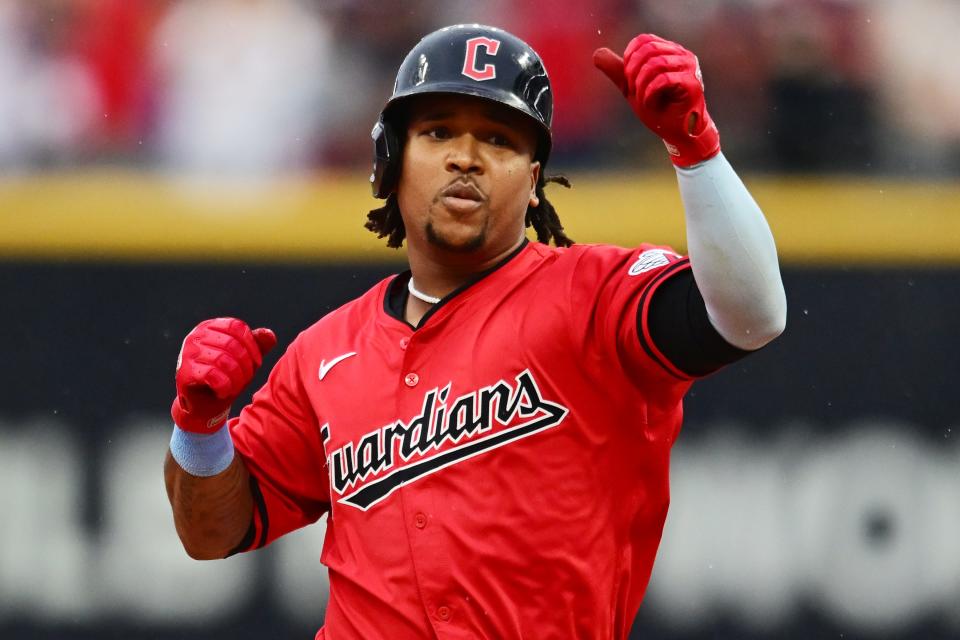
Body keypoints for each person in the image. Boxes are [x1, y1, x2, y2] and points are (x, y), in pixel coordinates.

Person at [164, 24, 786, 640]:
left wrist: (696, 149)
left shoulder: (594, 295)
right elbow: (211, 532)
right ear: (392, 157)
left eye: (498, 138)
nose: (467, 156)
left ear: (535, 177)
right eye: (438, 132)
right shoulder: (325, 352)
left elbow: (752, 316)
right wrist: (200, 428)